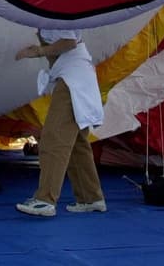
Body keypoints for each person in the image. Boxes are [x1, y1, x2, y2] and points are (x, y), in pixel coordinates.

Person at [13, 30, 106, 217]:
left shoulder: (57, 12)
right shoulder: (49, 13)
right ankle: (91, 197)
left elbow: (69, 42)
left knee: (54, 138)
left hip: (72, 79)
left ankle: (45, 200)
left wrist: (38, 51)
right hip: (73, 76)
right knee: (77, 143)